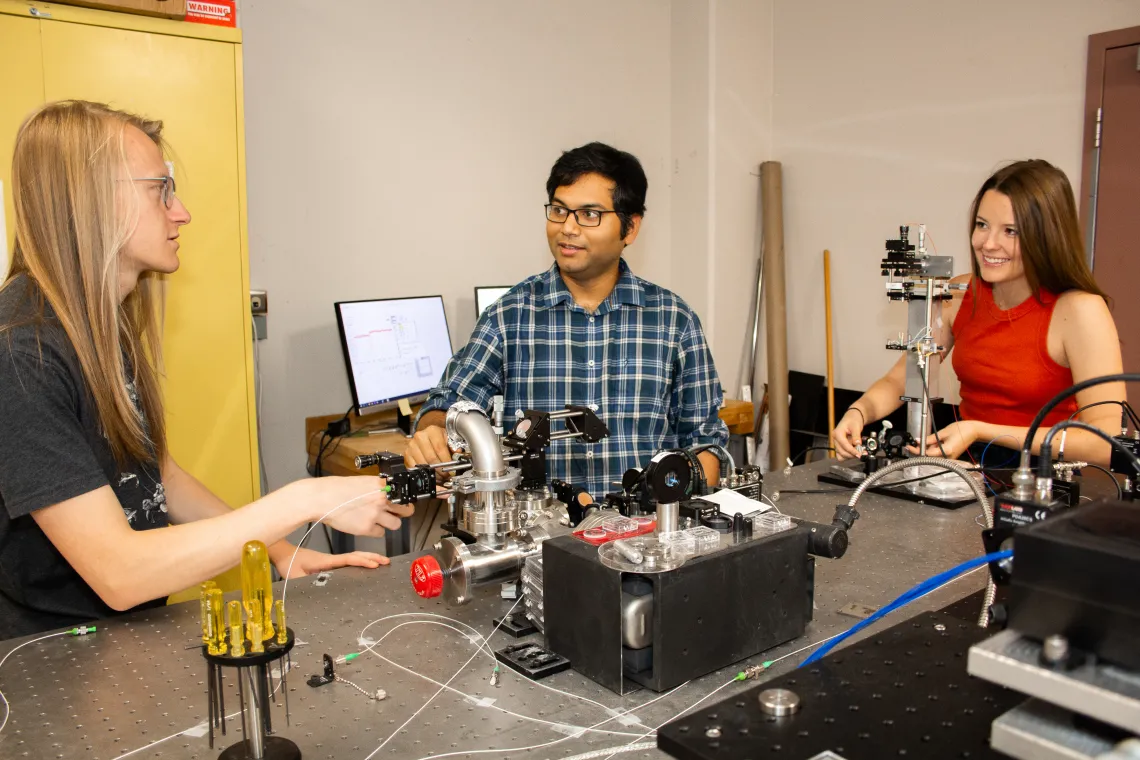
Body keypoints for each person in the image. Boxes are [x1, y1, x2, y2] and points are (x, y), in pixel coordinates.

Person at [0, 101, 413, 640]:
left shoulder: (97, 326)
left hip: (125, 638)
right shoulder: (23, 353)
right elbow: (119, 574)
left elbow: (157, 475)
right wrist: (307, 500)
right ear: (90, 201)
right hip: (51, 656)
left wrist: (277, 552)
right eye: (160, 190)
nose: (182, 213)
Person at [405, 142, 729, 496]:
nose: (568, 228)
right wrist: (433, 431)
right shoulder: (508, 317)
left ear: (630, 228)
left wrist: (682, 484)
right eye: (559, 210)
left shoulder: (674, 322)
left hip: (646, 536)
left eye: (589, 214)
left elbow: (705, 442)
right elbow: (448, 402)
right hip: (540, 538)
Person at [833, 159, 1125, 466]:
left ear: (1046, 236)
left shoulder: (1080, 311)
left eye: (1010, 231)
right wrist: (858, 411)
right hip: (967, 476)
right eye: (982, 225)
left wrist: (981, 431)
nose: (987, 243)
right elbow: (903, 380)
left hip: (1042, 486)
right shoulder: (959, 295)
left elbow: (1106, 442)